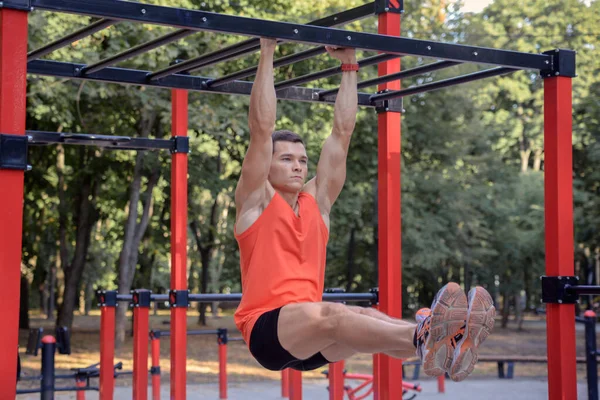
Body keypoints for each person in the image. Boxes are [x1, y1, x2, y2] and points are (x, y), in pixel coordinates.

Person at [233, 38, 495, 382]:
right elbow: (261, 129)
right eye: (286, 159)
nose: (297, 167)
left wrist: (350, 65)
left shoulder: (318, 203)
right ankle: (427, 335)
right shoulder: (255, 203)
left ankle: (444, 341)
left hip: (309, 338)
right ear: (267, 165)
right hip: (267, 330)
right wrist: (267, 50)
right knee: (337, 314)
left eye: (302, 160)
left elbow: (342, 133)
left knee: (363, 314)